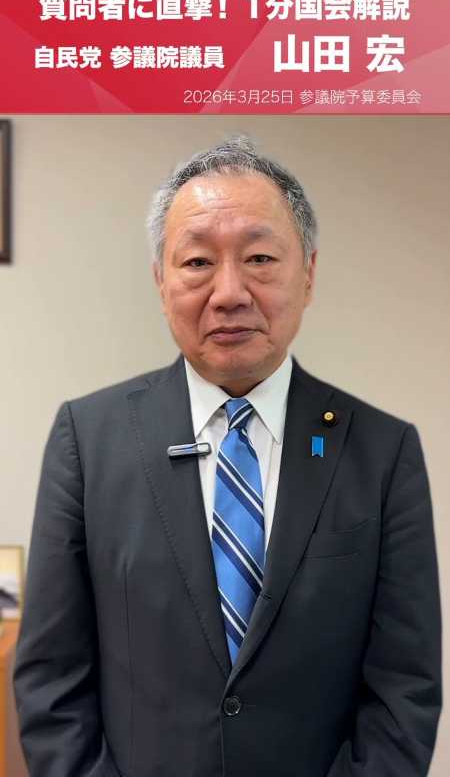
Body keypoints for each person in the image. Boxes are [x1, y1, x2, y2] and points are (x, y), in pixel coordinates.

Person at [13, 136, 442, 777]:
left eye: (260, 257)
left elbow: (404, 690)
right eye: (197, 262)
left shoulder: (383, 451)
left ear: (309, 273)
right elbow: (52, 683)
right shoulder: (88, 438)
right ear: (161, 281)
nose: (229, 292)